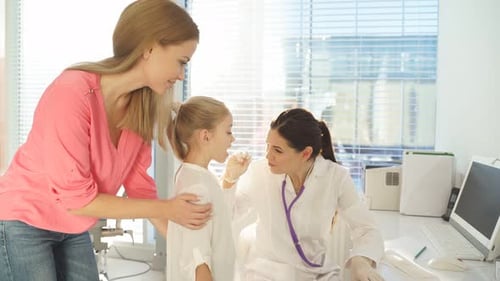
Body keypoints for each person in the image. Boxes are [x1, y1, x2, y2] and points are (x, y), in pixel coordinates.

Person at [0, 1, 211, 280]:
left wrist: (195, 257)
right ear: (149, 48)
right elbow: (77, 199)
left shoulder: (140, 111)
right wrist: (168, 208)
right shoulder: (72, 92)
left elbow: (140, 190)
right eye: (181, 61)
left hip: (72, 226)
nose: (182, 74)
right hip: (23, 220)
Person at [223, 108, 385, 281]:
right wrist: (229, 179)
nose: (268, 155)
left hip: (316, 273)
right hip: (265, 273)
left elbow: (367, 229)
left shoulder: (335, 177)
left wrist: (361, 261)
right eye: (267, 146)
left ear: (306, 153)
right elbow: (226, 215)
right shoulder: (260, 171)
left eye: (277, 150)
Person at [167, 96, 242, 281]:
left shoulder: (193, 175)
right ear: (206, 136)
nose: (232, 139)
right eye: (228, 131)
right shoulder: (197, 186)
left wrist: (229, 179)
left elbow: (216, 219)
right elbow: (198, 259)